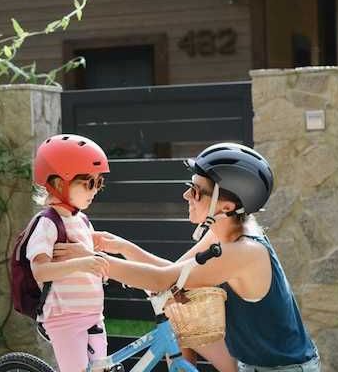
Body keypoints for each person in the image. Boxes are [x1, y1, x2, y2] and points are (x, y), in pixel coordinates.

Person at [93, 143, 320, 372]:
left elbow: (163, 279)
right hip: (250, 362)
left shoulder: (245, 251)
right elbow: (177, 272)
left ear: (226, 207)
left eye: (196, 191)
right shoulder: (222, 232)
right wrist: (123, 247)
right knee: (181, 322)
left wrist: (87, 262)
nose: (186, 195)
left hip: (282, 369)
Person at [26, 134, 113, 372]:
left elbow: (94, 266)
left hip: (94, 315)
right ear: (58, 183)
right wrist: (82, 264)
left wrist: (96, 265)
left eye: (99, 183)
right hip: (65, 318)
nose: (95, 190)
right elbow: (40, 271)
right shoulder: (47, 223)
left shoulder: (82, 221)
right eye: (89, 183)